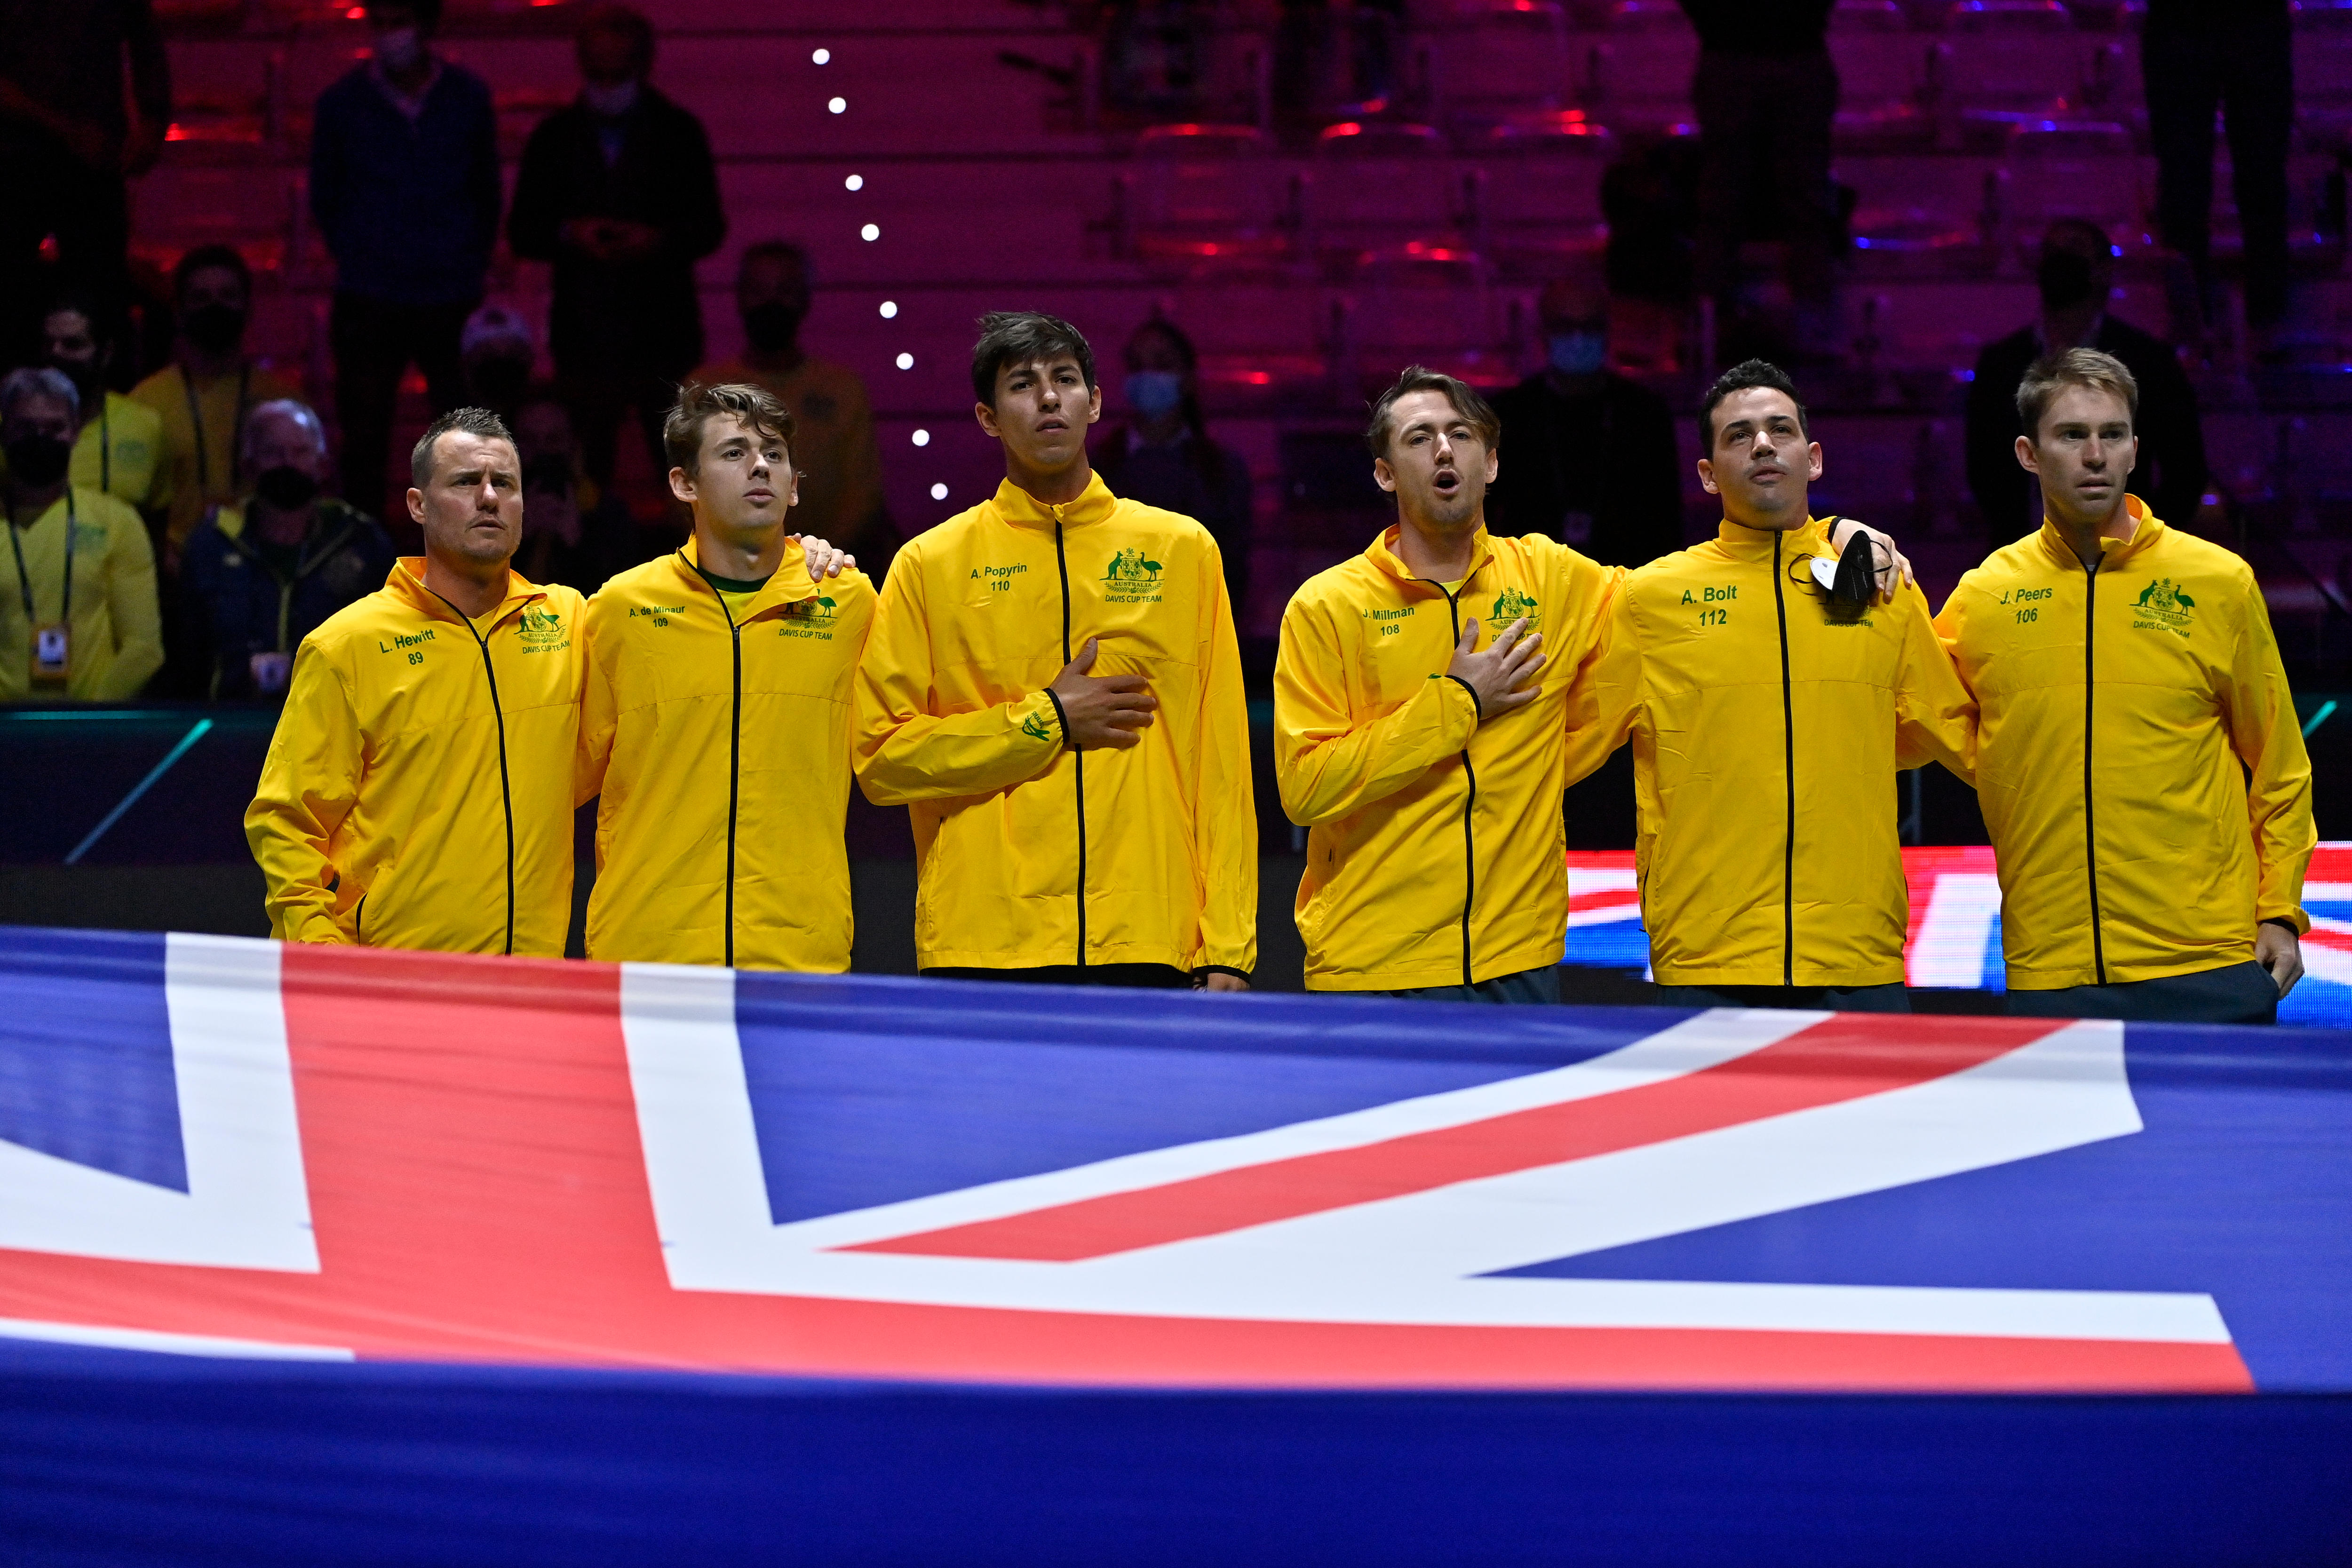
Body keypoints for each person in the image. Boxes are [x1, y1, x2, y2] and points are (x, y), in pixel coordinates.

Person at [853, 311, 1255, 989]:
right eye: (1022, 384)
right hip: (982, 940)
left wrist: (1230, 944)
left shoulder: (1181, 551)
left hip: (1148, 935)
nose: (1047, 397)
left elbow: (1219, 760)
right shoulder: (931, 563)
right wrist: (1045, 720)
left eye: (1065, 380)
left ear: (1094, 402)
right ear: (987, 416)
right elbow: (881, 762)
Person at [1560, 359, 1971, 1010]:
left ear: (1813, 459)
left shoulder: (1883, 587)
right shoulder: (1649, 600)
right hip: (1706, 958)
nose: (1761, 444)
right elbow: (1565, 749)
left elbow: (1950, 735)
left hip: (1855, 951)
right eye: (1738, 435)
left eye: (1779, 430)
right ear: (1706, 473)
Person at [1936, 349, 2313, 1024]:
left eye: (2112, 435)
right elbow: (1908, 719)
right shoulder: (1984, 597)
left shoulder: (2217, 583)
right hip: (2052, 967)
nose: (2094, 455)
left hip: (2207, 961)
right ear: (2029, 453)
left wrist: (2281, 913)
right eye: (2072, 436)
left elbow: (2282, 769)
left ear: (2135, 449)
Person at [1272, 367, 1620, 1001]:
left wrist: (1823, 538)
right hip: (1372, 964)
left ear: (1489, 463)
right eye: (1418, 437)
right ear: (1384, 472)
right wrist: (1455, 704)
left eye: (1460, 435)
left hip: (1517, 962)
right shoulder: (1328, 606)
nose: (1442, 450)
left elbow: (1683, 597)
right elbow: (1305, 787)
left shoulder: (1555, 578)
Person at [245, 408, 587, 955]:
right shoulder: (347, 645)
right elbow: (286, 819)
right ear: (417, 505)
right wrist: (317, 945)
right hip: (393, 981)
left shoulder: (569, 623)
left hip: (530, 979)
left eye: (505, 483)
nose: (489, 498)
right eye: (465, 482)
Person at [579, 382, 876, 969]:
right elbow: (564, 773)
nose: (760, 465)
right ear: (683, 484)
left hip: (798, 950)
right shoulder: (620, 609)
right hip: (648, 948)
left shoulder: (849, 603)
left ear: (794, 487)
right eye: (734, 453)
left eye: (774, 453)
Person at [509, 3, 725, 492]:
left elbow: (710, 227)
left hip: (662, 333)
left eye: (618, 71)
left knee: (681, 471)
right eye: (596, 71)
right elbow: (523, 229)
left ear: (643, 66)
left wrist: (658, 240)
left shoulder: (678, 134)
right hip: (584, 334)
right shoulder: (556, 138)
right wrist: (571, 235)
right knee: (584, 470)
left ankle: (691, 564)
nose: (606, 83)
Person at [310, 0, 501, 520]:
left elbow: (486, 192)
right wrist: (362, 252)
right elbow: (325, 198)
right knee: (364, 439)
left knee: (465, 442)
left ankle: (469, 550)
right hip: (369, 298)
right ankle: (364, 557)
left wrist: (466, 261)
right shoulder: (341, 104)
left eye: (399, 20)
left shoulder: (466, 98)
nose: (388, 34)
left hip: (451, 298)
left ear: (426, 24)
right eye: (381, 21)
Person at [1967, 220, 2207, 541]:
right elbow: (1984, 471)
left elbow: (2185, 472)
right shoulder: (2001, 364)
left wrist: (2142, 547)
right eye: (2053, 252)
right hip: (2024, 561)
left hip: (2124, 563)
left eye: (2075, 250)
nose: (2062, 260)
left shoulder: (2149, 363)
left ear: (2105, 270)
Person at [687, 242, 890, 571]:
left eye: (786, 289)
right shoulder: (704, 390)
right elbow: (685, 493)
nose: (772, 301)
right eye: (759, 289)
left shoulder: (842, 390)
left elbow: (863, 497)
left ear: (807, 297)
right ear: (739, 296)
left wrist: (810, 559)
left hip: (826, 570)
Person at [179, 400, 395, 701]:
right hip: (227, 726)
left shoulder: (360, 541)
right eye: (272, 453)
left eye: (300, 452)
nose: (287, 463)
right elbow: (186, 660)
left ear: (322, 465)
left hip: (337, 728)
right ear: (248, 466)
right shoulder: (211, 545)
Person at [0, 4, 169, 354]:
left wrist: (153, 122)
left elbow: (145, 39)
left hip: (82, 160)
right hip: (25, 162)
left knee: (98, 299)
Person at [1677, 0, 1839, 359]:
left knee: (1727, 200)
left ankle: (1707, 321)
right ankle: (1811, 326)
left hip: (1745, 55)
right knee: (1793, 201)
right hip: (1783, 54)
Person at [1486, 278, 1685, 569]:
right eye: (1566, 327)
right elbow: (1486, 516)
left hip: (1626, 582)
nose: (1578, 339)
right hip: (1530, 582)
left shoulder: (1644, 413)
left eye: (1590, 326)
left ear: (1607, 331)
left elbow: (1667, 522)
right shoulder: (1508, 414)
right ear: (1544, 332)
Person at [129, 245, 302, 565]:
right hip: (173, 570)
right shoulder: (146, 402)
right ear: (179, 310)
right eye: (201, 297)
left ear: (248, 308)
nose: (215, 307)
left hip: (263, 568)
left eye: (227, 295)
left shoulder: (284, 403)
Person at [0, 367, 162, 702]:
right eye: (26, 427)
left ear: (76, 432)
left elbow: (144, 648)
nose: (40, 437)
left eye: (55, 427)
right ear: (5, 432)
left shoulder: (117, 522)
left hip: (91, 733)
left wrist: (87, 721)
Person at [2143, 0, 2292, 340]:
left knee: (2262, 175)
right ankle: (2192, 322)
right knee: (2184, 181)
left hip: (2249, 22)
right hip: (2183, 23)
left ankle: (2265, 318)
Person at [1089, 317, 1253, 621]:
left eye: (1162, 364)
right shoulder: (1095, 468)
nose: (1148, 376)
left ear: (1189, 378)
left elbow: (1233, 573)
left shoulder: (1221, 472)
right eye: (1137, 366)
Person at [26, 292, 168, 519]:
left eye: (72, 344)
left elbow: (157, 521)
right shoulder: (12, 424)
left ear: (106, 353)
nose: (56, 353)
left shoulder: (144, 426)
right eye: (48, 343)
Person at [510, 386, 652, 595]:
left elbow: (627, 593)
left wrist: (578, 544)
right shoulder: (489, 511)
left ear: (574, 445)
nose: (542, 453)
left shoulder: (609, 514)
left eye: (553, 440)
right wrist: (514, 542)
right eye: (529, 441)